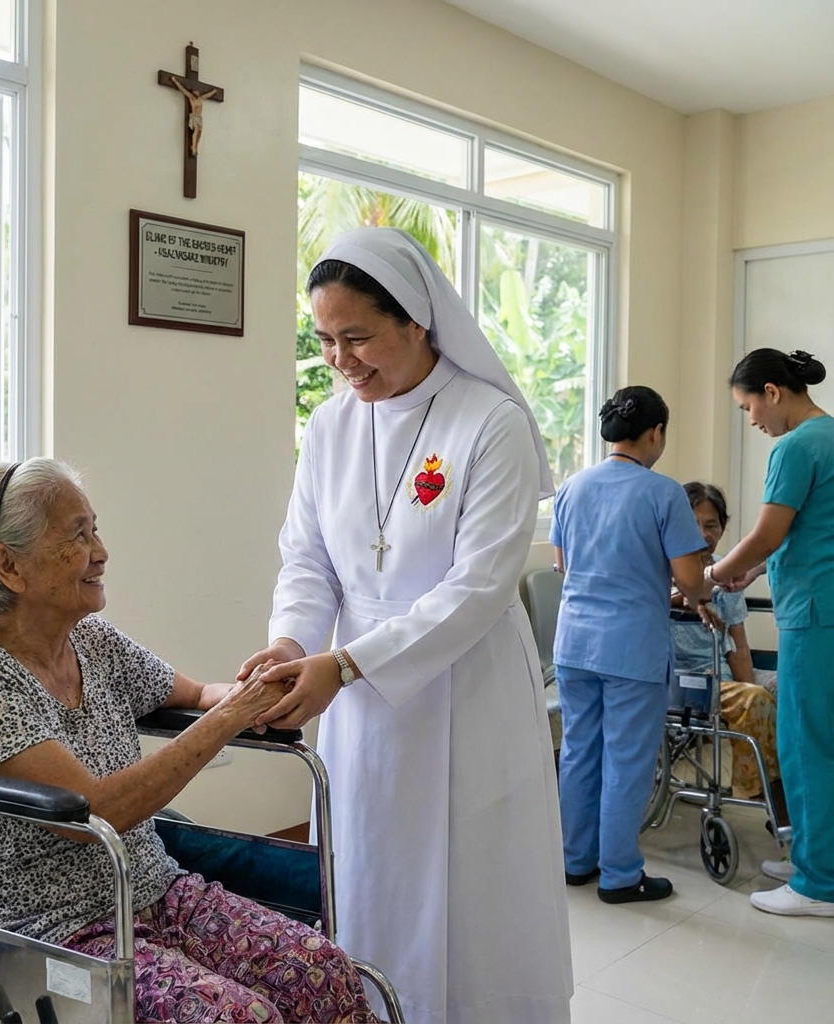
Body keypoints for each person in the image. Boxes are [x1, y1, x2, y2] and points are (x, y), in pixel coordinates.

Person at [237, 228, 573, 1024]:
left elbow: (482, 585)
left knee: (472, 892)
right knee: (370, 880)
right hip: (359, 706)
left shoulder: (488, 422)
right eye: (324, 339)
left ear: (418, 320)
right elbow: (308, 558)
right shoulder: (328, 428)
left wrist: (346, 663)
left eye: (357, 337)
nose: (340, 360)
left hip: (467, 691)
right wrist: (292, 641)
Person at [0, 458, 379, 1024]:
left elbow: (196, 693)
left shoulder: (89, 639)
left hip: (151, 889)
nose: (101, 551)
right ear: (9, 566)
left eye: (96, 528)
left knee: (322, 969)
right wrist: (231, 716)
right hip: (42, 936)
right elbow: (99, 812)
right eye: (78, 535)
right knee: (240, 1017)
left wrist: (262, 686)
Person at [551, 386, 708, 905]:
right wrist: (707, 588)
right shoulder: (662, 493)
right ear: (655, 433)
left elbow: (562, 566)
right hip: (630, 649)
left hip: (574, 642)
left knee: (578, 752)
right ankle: (619, 875)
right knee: (627, 759)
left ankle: (576, 861)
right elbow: (689, 579)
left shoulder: (572, 487)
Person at [707, 348, 834, 917]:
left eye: (748, 406)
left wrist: (711, 572)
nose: (752, 420)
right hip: (822, 606)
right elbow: (808, 530)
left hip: (814, 614)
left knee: (808, 746)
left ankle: (818, 884)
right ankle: (815, 856)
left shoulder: (795, 446)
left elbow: (765, 532)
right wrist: (755, 570)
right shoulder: (830, 437)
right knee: (820, 739)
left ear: (773, 392)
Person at [673, 481, 784, 813]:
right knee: (755, 699)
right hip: (685, 683)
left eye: (712, 525)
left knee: (788, 688)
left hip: (723, 680)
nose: (704, 534)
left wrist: (749, 687)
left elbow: (739, 645)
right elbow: (645, 606)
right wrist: (688, 599)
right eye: (693, 524)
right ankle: (765, 798)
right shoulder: (662, 568)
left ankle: (798, 792)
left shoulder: (725, 568)